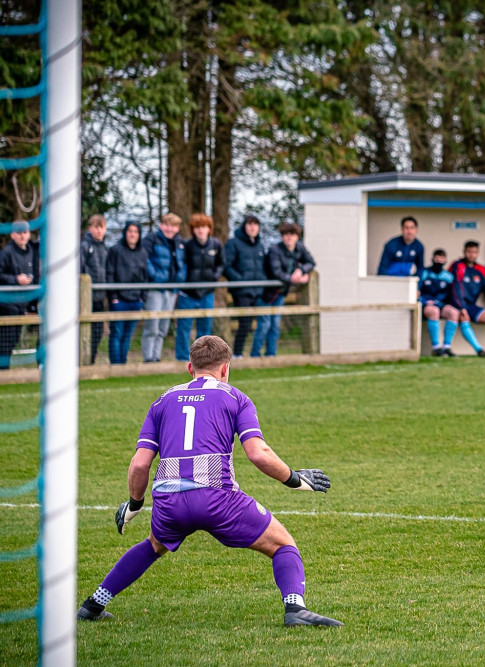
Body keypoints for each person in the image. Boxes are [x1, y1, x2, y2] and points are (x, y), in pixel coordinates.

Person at [76, 335, 341, 627]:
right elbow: (258, 453)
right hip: (217, 498)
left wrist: (135, 505)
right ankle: (295, 609)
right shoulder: (235, 397)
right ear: (225, 369)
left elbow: (140, 463)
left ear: (190, 367)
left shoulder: (162, 401)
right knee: (282, 544)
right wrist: (294, 479)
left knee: (154, 545)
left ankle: (93, 604)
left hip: (169, 502)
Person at [253, 223, 315, 357]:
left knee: (275, 325)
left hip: (280, 293)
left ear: (297, 237)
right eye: (286, 235)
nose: (289, 237)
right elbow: (276, 272)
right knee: (264, 325)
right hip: (266, 293)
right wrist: (295, 279)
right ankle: (255, 355)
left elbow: (310, 262)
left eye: (292, 235)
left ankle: (271, 354)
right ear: (282, 236)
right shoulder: (275, 250)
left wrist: (300, 270)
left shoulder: (299, 248)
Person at [175, 213, 224, 362]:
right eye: (197, 227)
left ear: (209, 229)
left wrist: (214, 276)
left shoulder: (216, 244)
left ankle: (203, 360)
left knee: (205, 330)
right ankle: (183, 358)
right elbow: (181, 265)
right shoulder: (187, 245)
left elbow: (221, 264)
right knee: (184, 328)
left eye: (203, 227)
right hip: (188, 294)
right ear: (193, 230)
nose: (200, 230)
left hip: (207, 294)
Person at [141, 212, 186, 362]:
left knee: (163, 326)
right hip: (155, 289)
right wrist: (155, 276)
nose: (169, 228)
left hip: (172, 290)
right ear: (161, 225)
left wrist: (179, 279)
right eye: (166, 224)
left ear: (177, 228)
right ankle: (148, 357)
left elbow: (184, 264)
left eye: (173, 226)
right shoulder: (152, 239)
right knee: (152, 325)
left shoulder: (180, 243)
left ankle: (157, 356)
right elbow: (144, 258)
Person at [105, 222, 148, 365]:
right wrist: (113, 297)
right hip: (119, 300)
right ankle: (116, 365)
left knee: (128, 335)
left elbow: (144, 276)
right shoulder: (115, 250)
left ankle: (123, 365)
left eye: (136, 231)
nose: (132, 234)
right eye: (130, 231)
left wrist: (142, 297)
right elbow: (110, 274)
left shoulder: (143, 252)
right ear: (125, 232)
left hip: (135, 300)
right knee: (117, 333)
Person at [224, 215, 267, 358]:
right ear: (244, 226)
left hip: (259, 291)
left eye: (255, 224)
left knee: (264, 323)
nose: (253, 227)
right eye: (249, 224)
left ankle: (256, 353)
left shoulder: (260, 245)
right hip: (242, 291)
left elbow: (263, 268)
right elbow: (227, 266)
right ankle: (237, 353)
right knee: (245, 324)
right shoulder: (233, 243)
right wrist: (240, 280)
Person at [0, 221, 39, 370]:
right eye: (19, 233)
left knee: (13, 340)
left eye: (25, 232)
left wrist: (31, 305)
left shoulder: (31, 252)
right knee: (4, 342)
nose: (22, 236)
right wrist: (15, 279)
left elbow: (35, 276)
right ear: (12, 234)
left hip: (22, 304)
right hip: (7, 305)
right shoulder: (6, 252)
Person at [418, 248, 461, 357]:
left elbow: (454, 294)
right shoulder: (424, 273)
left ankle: (447, 347)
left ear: (445, 260)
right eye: (436, 259)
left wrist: (460, 306)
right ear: (432, 259)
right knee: (434, 311)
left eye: (441, 259)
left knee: (454, 313)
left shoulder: (448, 277)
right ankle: (436, 347)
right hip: (426, 305)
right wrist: (424, 301)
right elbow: (416, 292)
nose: (438, 262)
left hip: (441, 304)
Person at [81, 214, 109, 364]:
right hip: (86, 298)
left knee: (97, 332)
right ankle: (82, 362)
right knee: (84, 333)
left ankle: (90, 361)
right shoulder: (84, 246)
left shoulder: (106, 248)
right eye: (96, 227)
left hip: (100, 297)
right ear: (90, 228)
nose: (99, 231)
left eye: (101, 227)